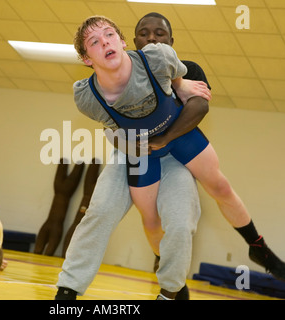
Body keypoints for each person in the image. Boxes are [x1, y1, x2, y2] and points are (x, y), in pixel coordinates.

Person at [79, 14, 285, 284]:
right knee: (150, 218)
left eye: (160, 34)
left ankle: (258, 246)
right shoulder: (123, 69)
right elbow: (110, 126)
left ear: (171, 41)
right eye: (144, 34)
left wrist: (167, 130)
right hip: (140, 148)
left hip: (178, 137)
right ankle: (164, 260)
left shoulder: (186, 68)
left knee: (220, 187)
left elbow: (199, 106)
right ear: (132, 42)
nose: (152, 39)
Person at [56, 15, 210, 301]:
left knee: (180, 223)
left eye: (109, 35)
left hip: (173, 156)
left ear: (122, 41)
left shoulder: (161, 61)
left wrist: (180, 85)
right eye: (95, 42)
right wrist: (127, 141)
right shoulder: (88, 96)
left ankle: (171, 290)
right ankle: (68, 291)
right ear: (86, 58)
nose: (105, 42)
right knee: (99, 213)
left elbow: (193, 96)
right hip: (132, 153)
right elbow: (114, 132)